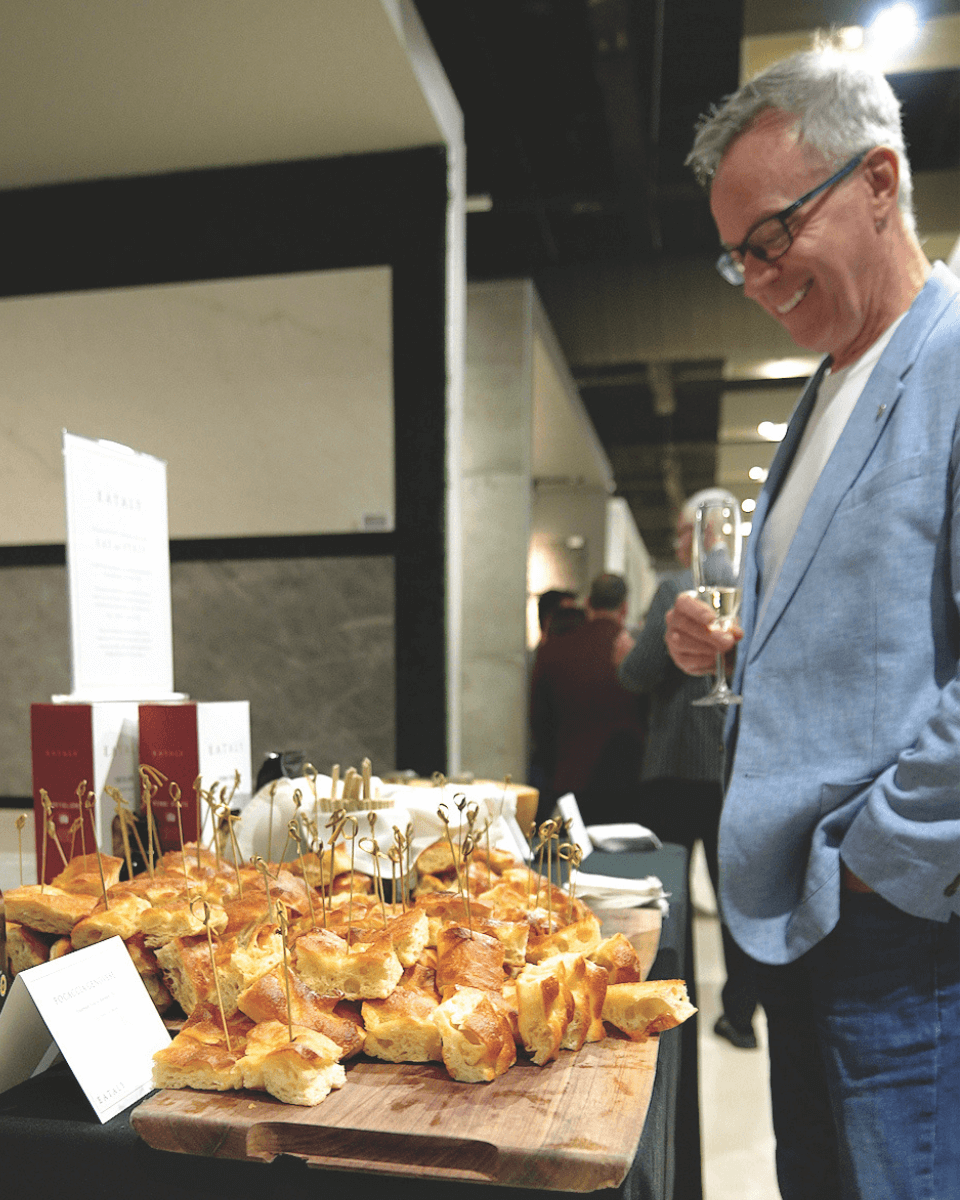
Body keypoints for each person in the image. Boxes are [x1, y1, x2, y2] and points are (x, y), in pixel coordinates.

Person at [665, 46, 960, 1200]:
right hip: (803, 920)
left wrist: (875, 861)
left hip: (898, 935)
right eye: (737, 256)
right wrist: (730, 643)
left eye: (774, 235)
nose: (755, 277)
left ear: (878, 181)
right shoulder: (830, 385)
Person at [618, 489, 758, 1049]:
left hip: (677, 767)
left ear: (699, 533)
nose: (679, 543)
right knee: (734, 899)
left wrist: (629, 649)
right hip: (735, 768)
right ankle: (740, 1017)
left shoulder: (677, 587)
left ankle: (673, 1017)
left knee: (667, 897)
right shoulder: (756, 588)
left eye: (681, 532)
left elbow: (638, 672)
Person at [530, 572, 646, 825]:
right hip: (629, 780)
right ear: (624, 608)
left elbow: (539, 721)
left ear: (588, 604)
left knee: (572, 849)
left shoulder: (554, 650)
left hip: (570, 777)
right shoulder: (637, 654)